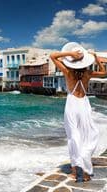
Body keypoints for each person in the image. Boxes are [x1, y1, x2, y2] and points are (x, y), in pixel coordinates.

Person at [50, 42, 107, 182]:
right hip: (84, 104)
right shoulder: (87, 73)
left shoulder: (68, 72)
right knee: (88, 135)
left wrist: (70, 54)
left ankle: (75, 172)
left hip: (72, 104)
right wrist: (96, 58)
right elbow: (105, 72)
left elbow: (53, 56)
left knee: (74, 137)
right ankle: (86, 172)